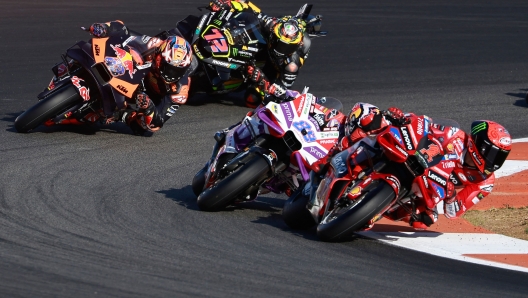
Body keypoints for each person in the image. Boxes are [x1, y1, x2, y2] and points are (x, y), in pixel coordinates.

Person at [312, 102, 512, 230]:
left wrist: (450, 194)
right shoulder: (455, 136)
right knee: (369, 116)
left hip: (427, 190)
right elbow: (425, 126)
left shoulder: (485, 182)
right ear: (478, 144)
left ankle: (371, 211)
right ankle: (330, 157)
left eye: (500, 156)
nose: (495, 161)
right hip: (411, 159)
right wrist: (404, 118)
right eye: (494, 153)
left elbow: (453, 212)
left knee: (424, 220)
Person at [81, 20, 197, 134]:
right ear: (159, 58)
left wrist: (149, 108)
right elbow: (124, 31)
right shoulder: (154, 44)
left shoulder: (180, 91)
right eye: (169, 67)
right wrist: (105, 28)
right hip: (133, 76)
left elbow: (157, 123)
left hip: (145, 98)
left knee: (142, 128)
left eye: (177, 70)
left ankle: (121, 115)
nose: (171, 74)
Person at [208, 0, 313, 108]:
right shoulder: (272, 25)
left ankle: (240, 82)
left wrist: (262, 80)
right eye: (278, 42)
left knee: (251, 100)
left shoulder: (291, 65)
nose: (280, 49)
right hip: (265, 49)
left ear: (296, 46)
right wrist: (228, 3)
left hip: (274, 70)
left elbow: (281, 94)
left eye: (286, 47)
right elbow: (251, 8)